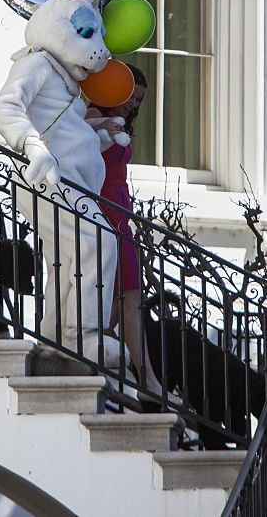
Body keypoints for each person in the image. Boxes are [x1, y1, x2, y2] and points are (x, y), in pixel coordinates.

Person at [85, 64, 164, 397]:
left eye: (140, 99)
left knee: (125, 295)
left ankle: (92, 352)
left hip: (121, 211)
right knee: (128, 293)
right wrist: (102, 123)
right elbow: (74, 132)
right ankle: (147, 379)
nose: (134, 104)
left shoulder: (121, 121)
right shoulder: (91, 111)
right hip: (103, 204)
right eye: (132, 94)